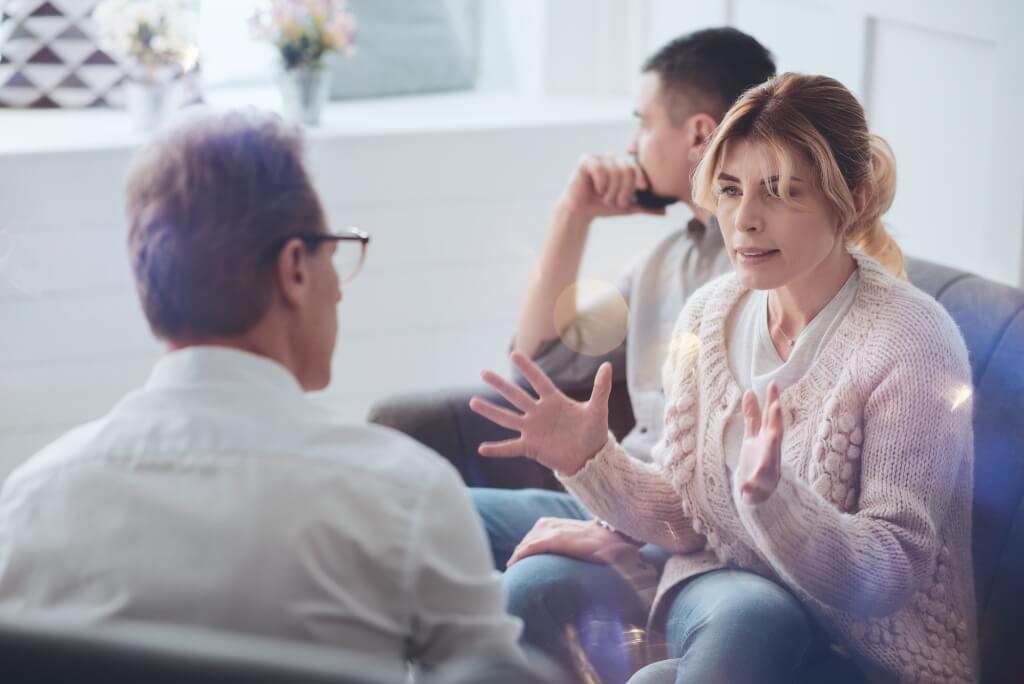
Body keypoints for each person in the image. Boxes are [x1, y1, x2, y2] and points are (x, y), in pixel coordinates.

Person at [471, 72, 977, 683]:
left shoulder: (912, 341)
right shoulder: (711, 314)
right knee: (530, 585)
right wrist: (591, 461)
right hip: (728, 589)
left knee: (721, 635)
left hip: (864, 652)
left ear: (856, 200)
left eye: (782, 191)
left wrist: (777, 502)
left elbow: (893, 570)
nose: (745, 220)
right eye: (731, 190)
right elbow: (687, 517)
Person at [0, 109, 522, 678]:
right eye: (334, 251)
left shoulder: (28, 503)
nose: (340, 294)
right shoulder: (405, 496)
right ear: (294, 267)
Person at [467, 28, 776, 682]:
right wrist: (571, 213)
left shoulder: (771, 273)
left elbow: (740, 461)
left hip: (670, 523)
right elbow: (539, 360)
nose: (632, 146)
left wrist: (625, 530)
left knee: (528, 584)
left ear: (698, 134)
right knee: (430, 515)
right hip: (609, 496)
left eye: (642, 124)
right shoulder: (668, 259)